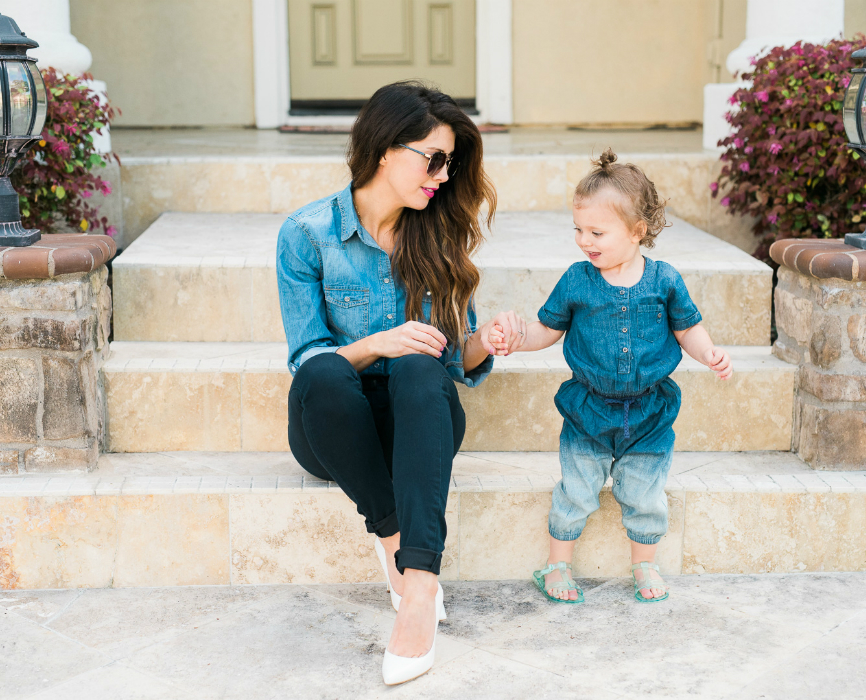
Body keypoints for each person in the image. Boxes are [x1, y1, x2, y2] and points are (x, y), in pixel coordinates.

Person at [276, 81, 518, 685]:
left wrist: (484, 341)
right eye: (432, 159)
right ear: (386, 148)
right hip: (335, 425)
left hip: (421, 419)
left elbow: (452, 364)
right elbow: (307, 360)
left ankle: (419, 590)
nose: (441, 176)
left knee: (419, 365)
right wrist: (376, 343)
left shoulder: (437, 231)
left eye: (449, 163)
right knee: (327, 370)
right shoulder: (307, 234)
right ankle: (392, 538)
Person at [485, 149, 733, 605]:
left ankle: (644, 563)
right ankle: (556, 563)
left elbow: (687, 329)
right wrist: (518, 338)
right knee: (576, 490)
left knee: (644, 494)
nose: (585, 240)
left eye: (597, 232)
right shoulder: (578, 281)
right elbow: (547, 329)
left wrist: (708, 352)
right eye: (578, 230)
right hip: (588, 408)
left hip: (649, 412)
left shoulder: (664, 280)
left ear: (638, 231)